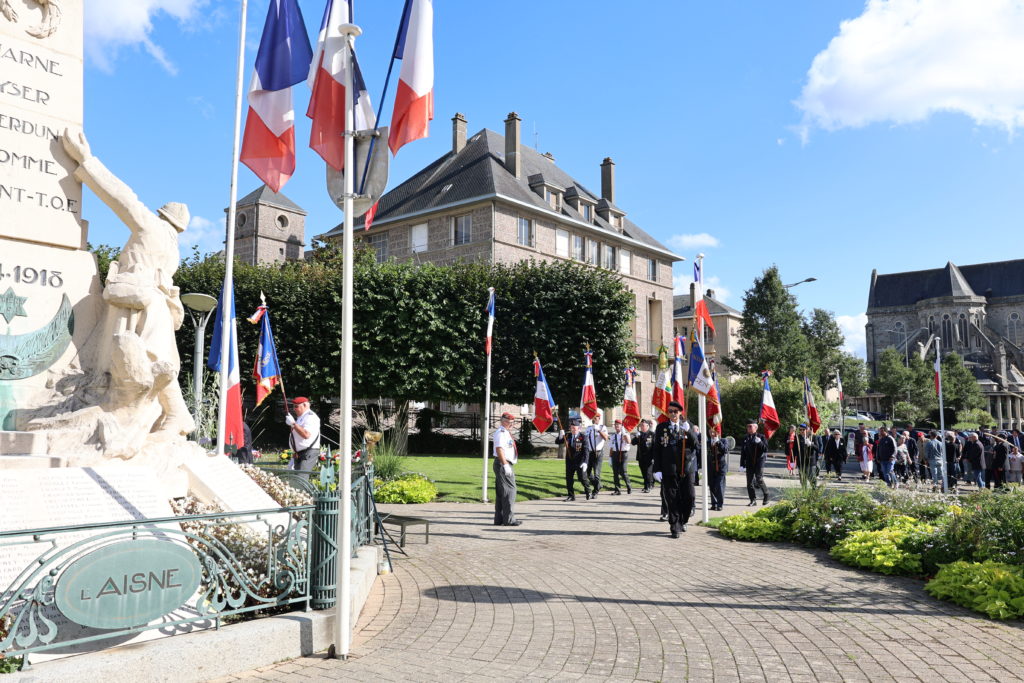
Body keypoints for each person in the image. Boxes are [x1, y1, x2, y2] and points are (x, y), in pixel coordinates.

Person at [653, 401, 698, 537]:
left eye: (675, 411)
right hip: (668, 469)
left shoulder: (687, 426)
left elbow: (696, 445)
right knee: (671, 498)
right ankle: (675, 526)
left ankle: (683, 520)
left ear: (680, 413)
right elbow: (657, 449)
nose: (672, 414)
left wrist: (688, 431)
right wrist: (657, 469)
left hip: (686, 468)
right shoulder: (662, 427)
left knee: (689, 497)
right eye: (670, 411)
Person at [491, 412, 520, 526]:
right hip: (503, 463)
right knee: (510, 491)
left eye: (513, 423)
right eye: (509, 423)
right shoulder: (501, 433)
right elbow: (499, 449)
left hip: (503, 463)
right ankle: (509, 519)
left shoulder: (506, 432)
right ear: (503, 422)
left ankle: (499, 519)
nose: (511, 425)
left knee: (502, 492)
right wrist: (506, 465)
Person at [556, 418, 592, 501]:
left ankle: (588, 491)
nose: (572, 430)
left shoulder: (583, 437)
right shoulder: (568, 435)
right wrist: (561, 436)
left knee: (582, 478)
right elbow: (558, 442)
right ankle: (571, 495)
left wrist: (585, 462)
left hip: (580, 461)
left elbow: (586, 451)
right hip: (570, 461)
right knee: (569, 479)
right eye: (571, 428)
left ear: (579, 428)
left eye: (574, 428)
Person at [740, 420, 770, 506]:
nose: (748, 428)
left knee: (759, 479)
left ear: (756, 428)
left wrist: (760, 442)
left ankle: (766, 495)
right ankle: (753, 500)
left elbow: (766, 449)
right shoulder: (745, 438)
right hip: (749, 462)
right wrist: (742, 464)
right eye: (747, 426)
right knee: (749, 482)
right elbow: (743, 452)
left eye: (750, 426)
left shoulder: (761, 437)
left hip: (759, 461)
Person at [286, 397, 320, 471]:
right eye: (293, 406)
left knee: (301, 479)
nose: (294, 409)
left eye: (296, 406)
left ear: (304, 405)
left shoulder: (311, 417)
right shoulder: (302, 417)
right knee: (296, 479)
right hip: (300, 453)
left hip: (308, 452)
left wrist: (293, 424)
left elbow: (306, 435)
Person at [584, 412, 609, 496]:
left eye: (596, 418)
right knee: (587, 472)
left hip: (598, 453)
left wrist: (598, 430)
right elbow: (585, 439)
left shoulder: (603, 427)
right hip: (590, 452)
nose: (594, 419)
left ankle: (595, 491)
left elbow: (605, 438)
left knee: (596, 473)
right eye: (593, 418)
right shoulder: (588, 428)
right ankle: (598, 485)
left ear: (599, 419)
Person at [608, 419, 633, 494]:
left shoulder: (625, 434)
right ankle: (617, 489)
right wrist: (610, 457)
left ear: (622, 426)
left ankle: (629, 486)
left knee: (623, 471)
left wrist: (624, 433)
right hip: (615, 454)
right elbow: (611, 447)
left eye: (618, 425)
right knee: (615, 473)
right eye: (615, 425)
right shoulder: (613, 436)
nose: (616, 426)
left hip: (623, 453)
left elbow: (629, 442)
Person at [707, 429, 729, 510]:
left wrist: (718, 442)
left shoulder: (723, 440)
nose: (712, 433)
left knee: (719, 485)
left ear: (718, 432)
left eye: (713, 431)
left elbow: (725, 450)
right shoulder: (708, 441)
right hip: (710, 467)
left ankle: (720, 504)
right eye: (710, 432)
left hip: (721, 467)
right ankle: (714, 504)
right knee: (712, 485)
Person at [632, 420, 656, 492]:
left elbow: (654, 447)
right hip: (641, 457)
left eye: (643, 425)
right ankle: (646, 486)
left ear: (647, 426)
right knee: (643, 472)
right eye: (641, 425)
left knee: (648, 472)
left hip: (649, 457)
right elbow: (633, 443)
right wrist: (636, 437)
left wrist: (654, 457)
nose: (641, 427)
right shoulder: (639, 434)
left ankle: (649, 486)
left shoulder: (652, 434)